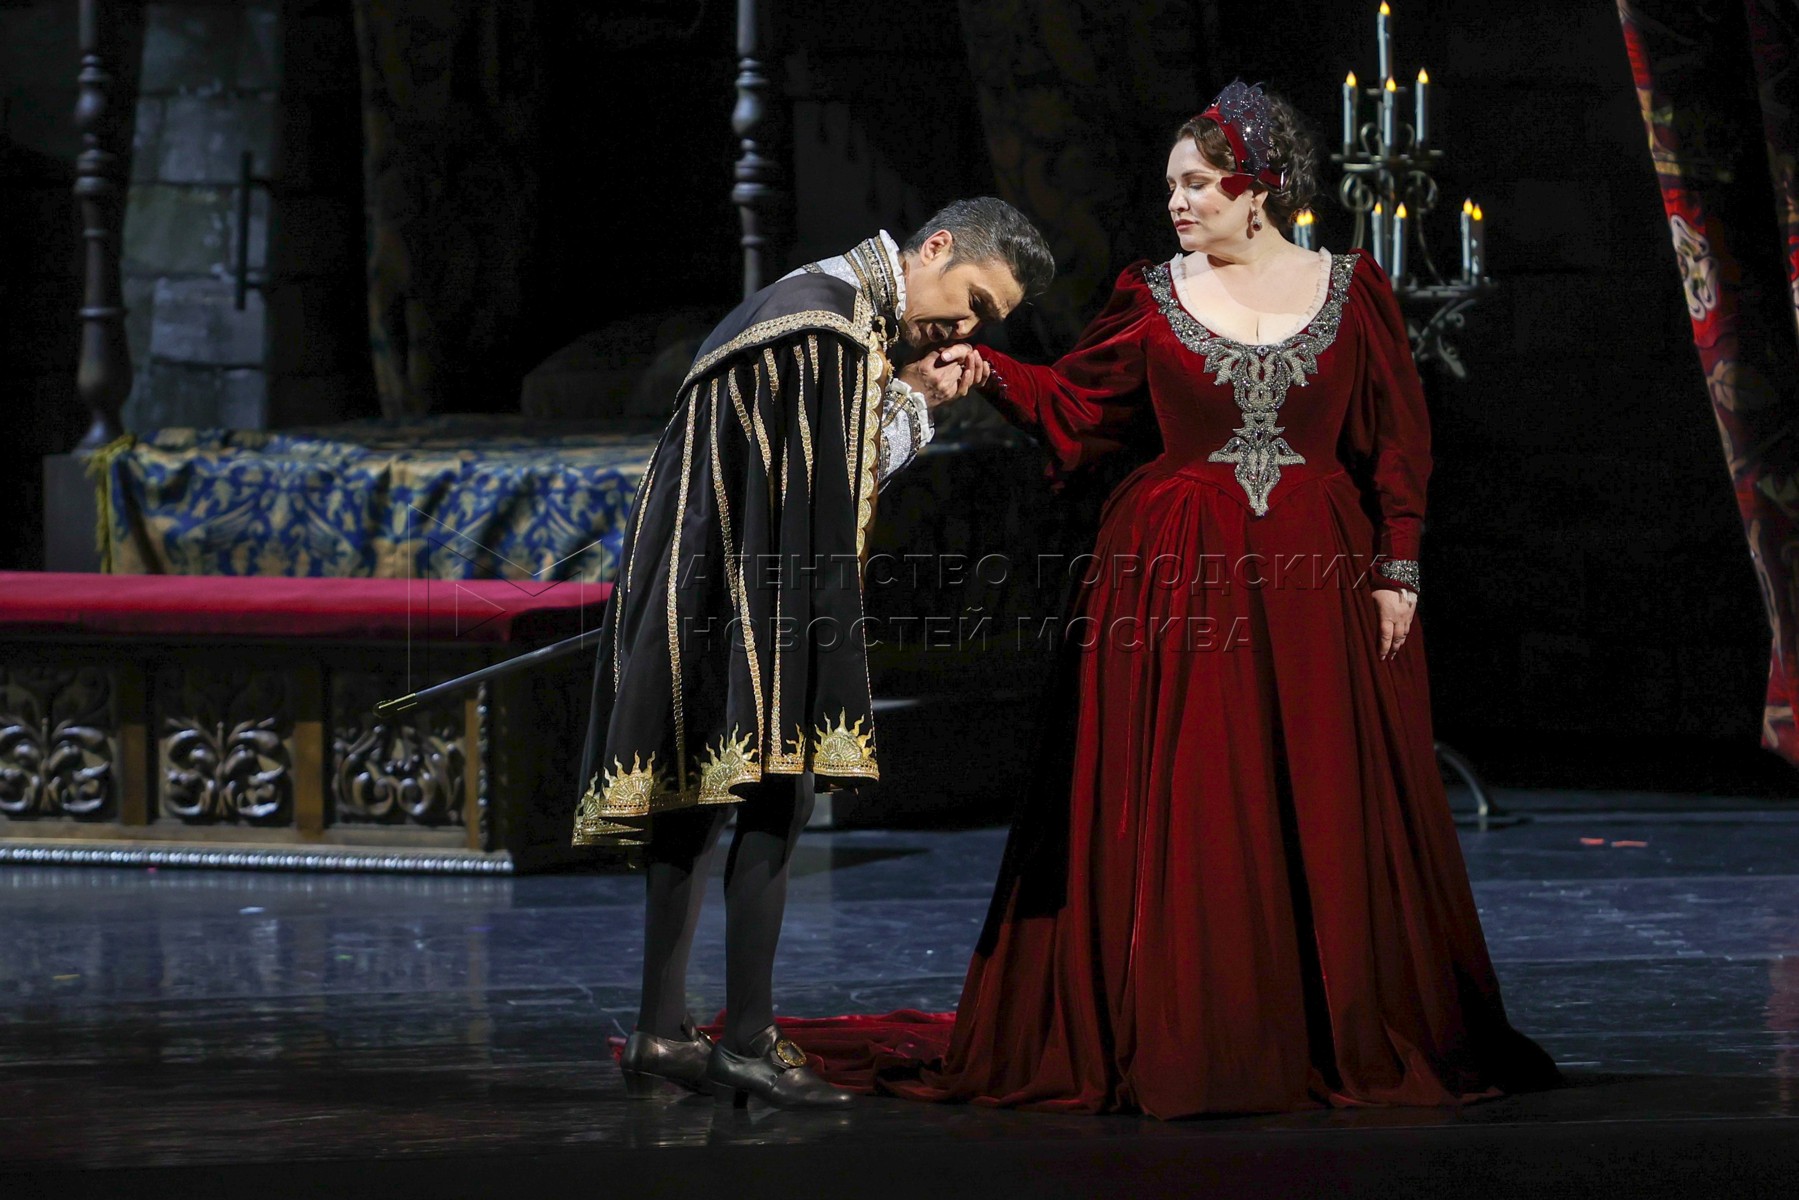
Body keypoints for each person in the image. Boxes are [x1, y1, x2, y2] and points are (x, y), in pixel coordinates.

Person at [794, 82, 1559, 1117]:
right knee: (1194, 791)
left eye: (1195, 184)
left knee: (1320, 789)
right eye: (1170, 186)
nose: (1176, 203)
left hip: (1318, 574)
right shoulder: (1152, 296)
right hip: (1174, 573)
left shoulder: (1352, 289)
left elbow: (1398, 444)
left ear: (1258, 189)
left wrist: (1399, 569)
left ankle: (1325, 1020)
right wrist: (993, 371)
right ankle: (1191, 1023)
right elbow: (1079, 403)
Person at [575, 200, 1056, 1109]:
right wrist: (918, 403)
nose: (966, 329)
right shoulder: (826, 328)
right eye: (973, 303)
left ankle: (660, 1030)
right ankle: (747, 1041)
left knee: (696, 791)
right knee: (774, 788)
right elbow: (834, 486)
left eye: (986, 322)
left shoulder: (818, 306)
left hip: (706, 582)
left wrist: (901, 391)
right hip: (756, 595)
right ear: (936, 248)